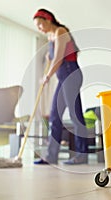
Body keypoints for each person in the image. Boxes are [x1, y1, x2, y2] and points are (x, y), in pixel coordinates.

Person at [33, 8, 88, 165]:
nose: (39, 29)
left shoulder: (60, 31)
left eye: (40, 25)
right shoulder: (51, 37)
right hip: (64, 77)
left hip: (71, 75)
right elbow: (52, 57)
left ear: (48, 20)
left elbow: (58, 59)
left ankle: (81, 155)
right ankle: (51, 156)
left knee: (75, 116)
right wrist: (47, 56)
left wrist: (47, 77)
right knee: (55, 116)